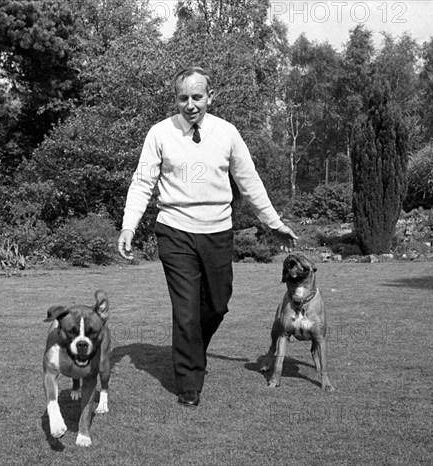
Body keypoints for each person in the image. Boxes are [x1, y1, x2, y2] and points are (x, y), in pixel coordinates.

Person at [117, 66, 298, 407]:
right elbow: (142, 183)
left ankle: (191, 347)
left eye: (197, 97)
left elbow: (249, 181)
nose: (190, 104)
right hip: (174, 230)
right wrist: (129, 225)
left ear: (210, 97)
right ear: (176, 99)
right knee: (185, 311)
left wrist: (273, 222)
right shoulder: (159, 133)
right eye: (183, 97)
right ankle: (189, 383)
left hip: (217, 231)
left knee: (217, 304)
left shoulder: (227, 133)